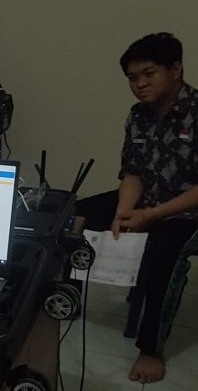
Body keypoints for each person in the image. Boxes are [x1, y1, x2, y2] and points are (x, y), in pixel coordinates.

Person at [79, 32, 198, 384]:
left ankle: (150, 348)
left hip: (188, 212)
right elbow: (132, 172)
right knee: (72, 217)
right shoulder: (137, 116)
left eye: (149, 74)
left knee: (164, 253)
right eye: (133, 78)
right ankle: (62, 298)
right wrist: (124, 210)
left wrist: (152, 215)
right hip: (146, 201)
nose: (140, 84)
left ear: (175, 70)